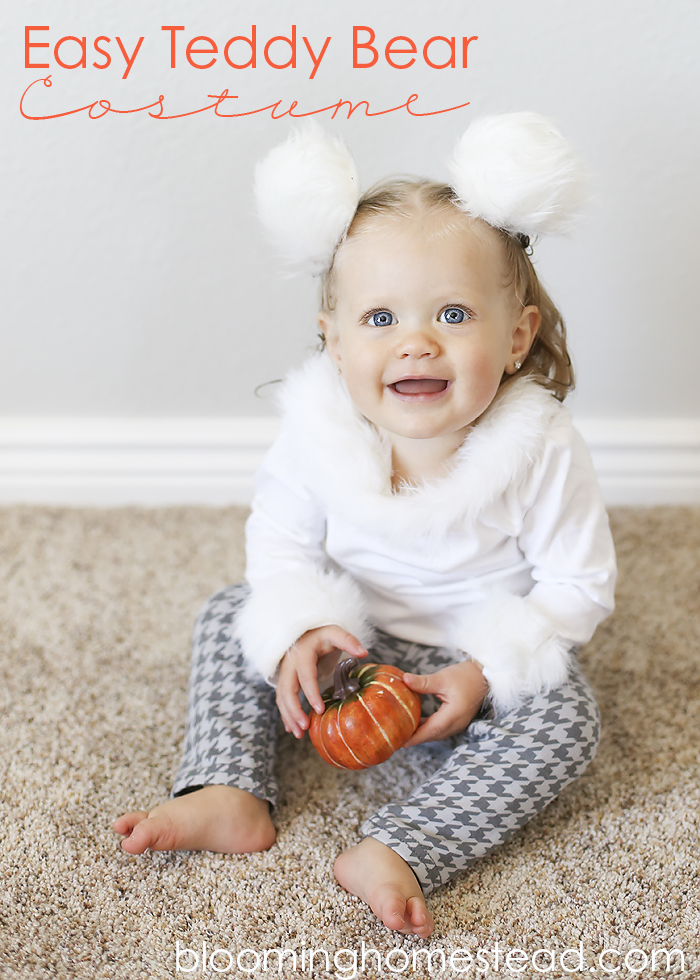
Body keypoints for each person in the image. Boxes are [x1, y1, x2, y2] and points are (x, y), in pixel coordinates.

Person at [114, 114, 616, 939]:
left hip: (462, 672)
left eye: (453, 315)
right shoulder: (317, 432)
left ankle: (402, 846)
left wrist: (487, 672)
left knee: (568, 720)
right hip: (348, 655)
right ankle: (229, 790)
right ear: (334, 342)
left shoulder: (541, 447)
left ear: (518, 335)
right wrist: (301, 631)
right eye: (380, 320)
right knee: (227, 612)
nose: (416, 343)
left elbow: (579, 584)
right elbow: (280, 544)